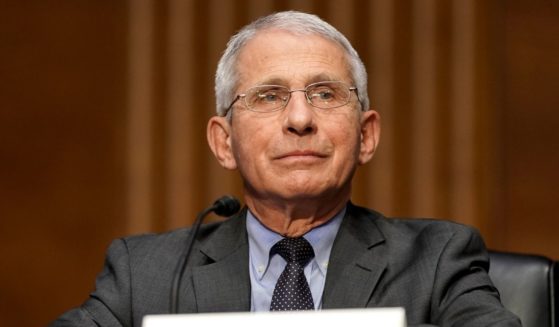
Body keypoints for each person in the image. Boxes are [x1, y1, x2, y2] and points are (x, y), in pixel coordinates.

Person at [52, 11, 521, 327]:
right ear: (224, 142)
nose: (300, 119)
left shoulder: (437, 261)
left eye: (324, 93)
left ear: (366, 135)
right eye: (269, 96)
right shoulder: (145, 274)